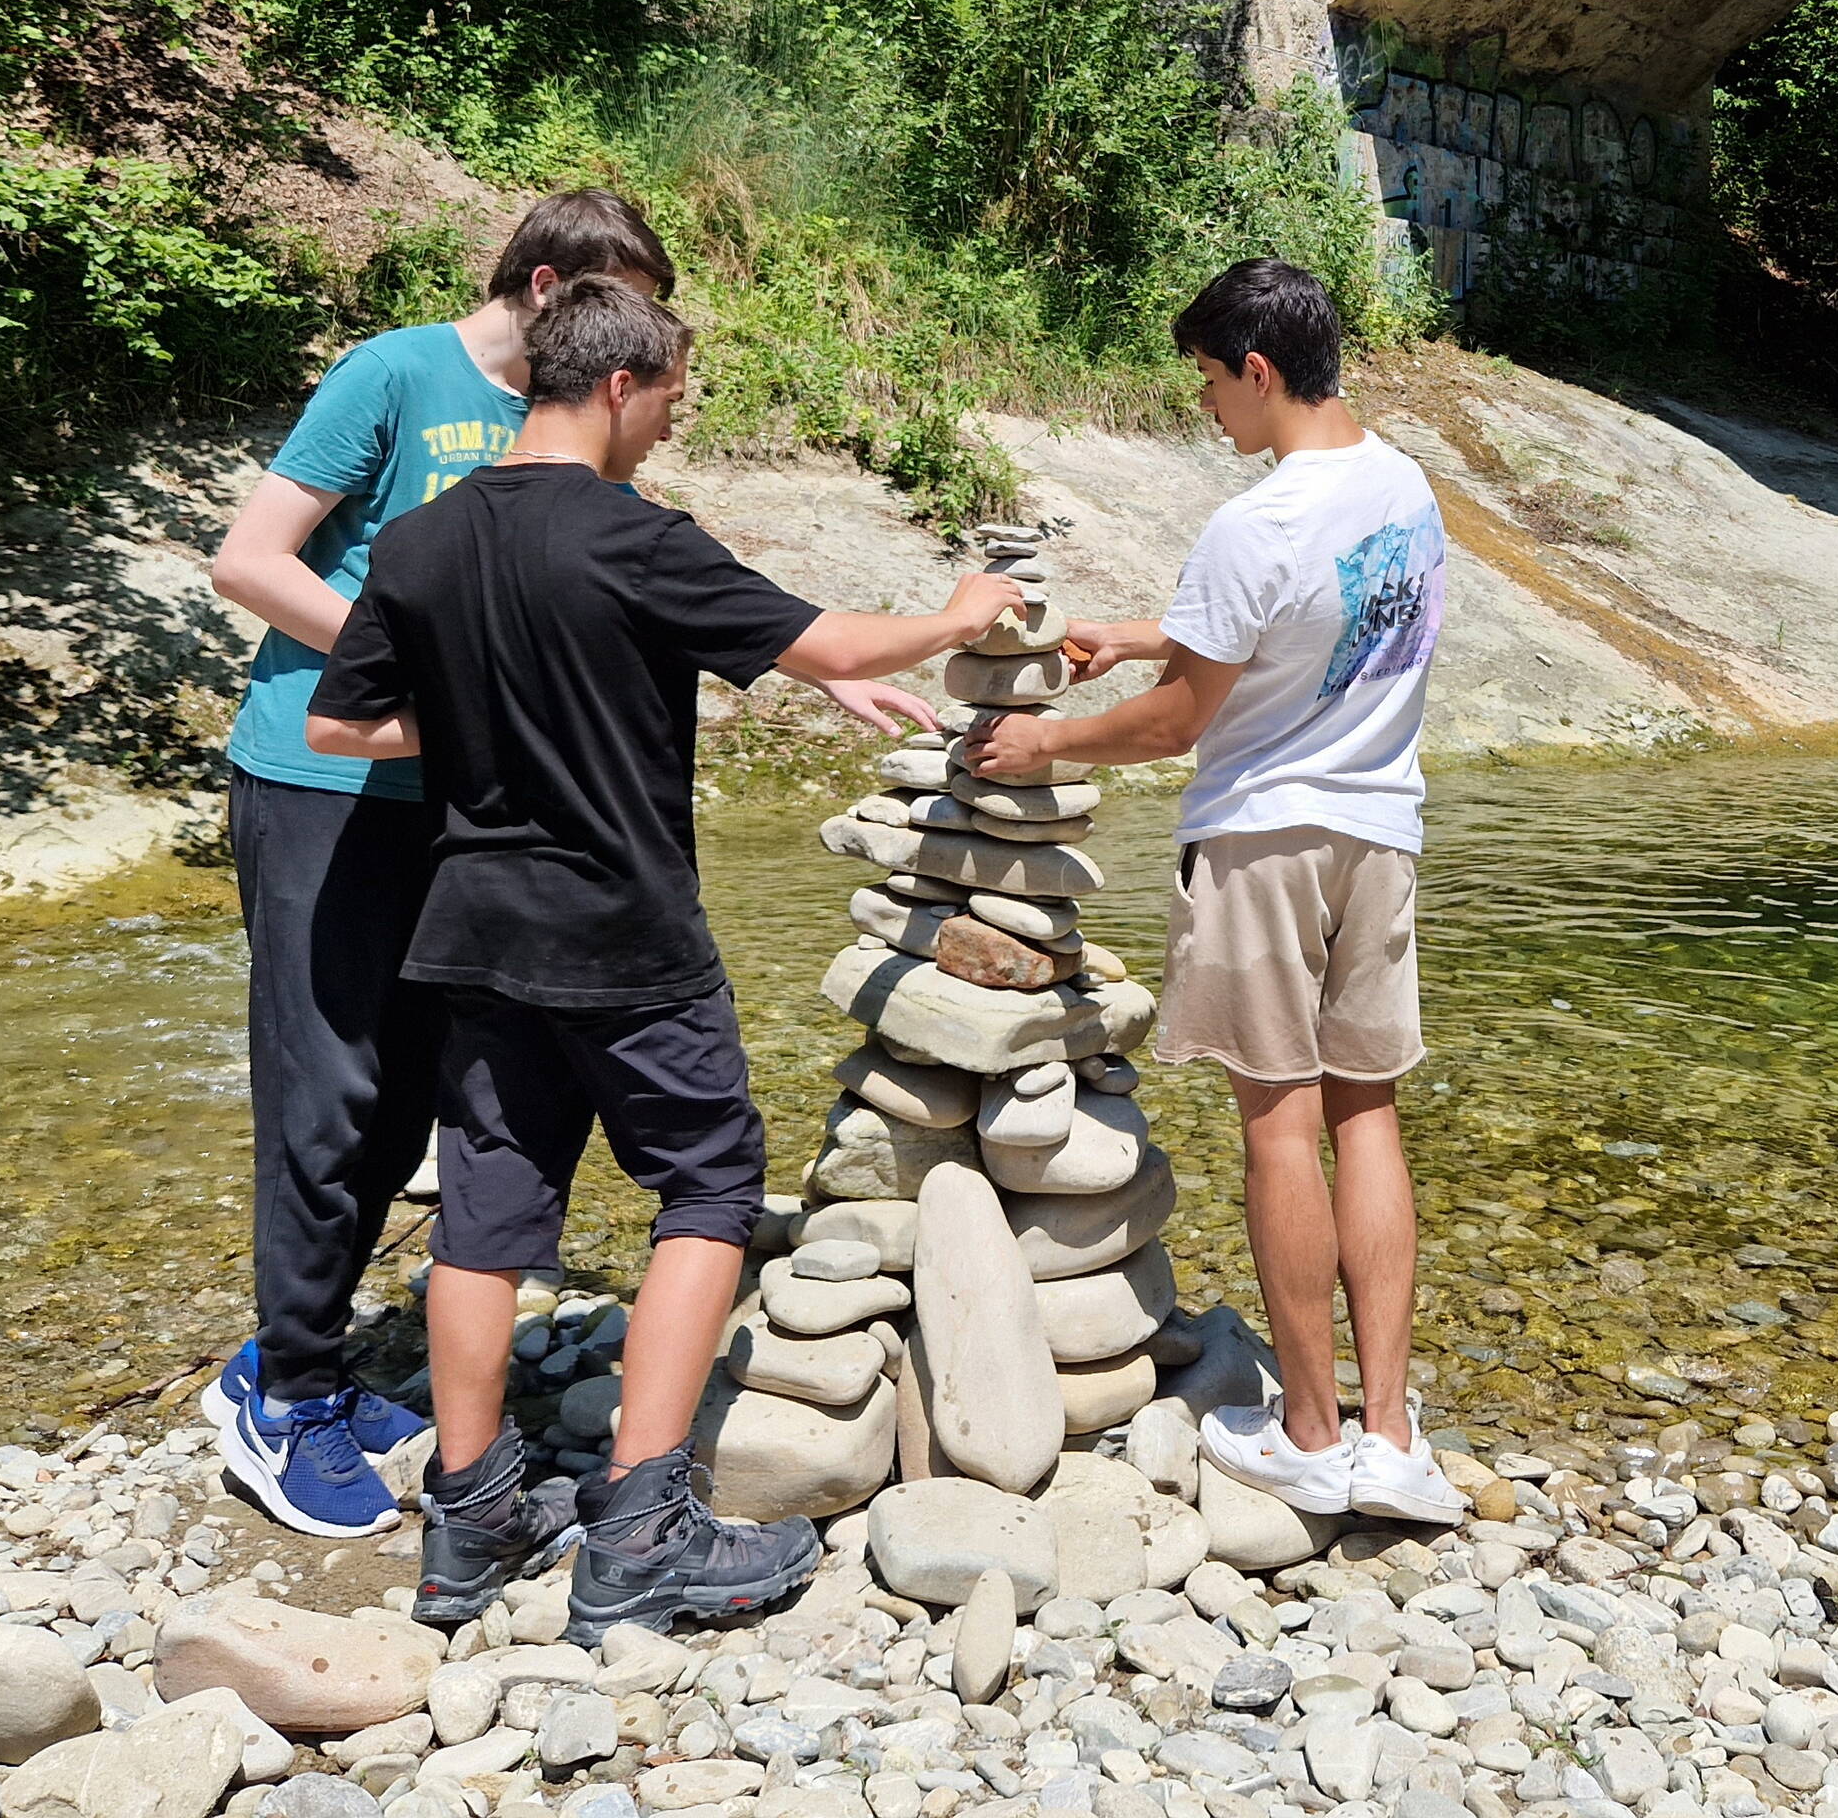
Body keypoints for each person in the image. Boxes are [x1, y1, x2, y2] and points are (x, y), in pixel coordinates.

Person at [205, 191, 933, 1541]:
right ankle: (283, 1389)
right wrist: (451, 669)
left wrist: (799, 663)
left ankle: (339, 1366)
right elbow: (248, 560)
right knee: (329, 1089)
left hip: (475, 806)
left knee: (422, 1094)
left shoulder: (570, 437)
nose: (647, 340)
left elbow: (619, 587)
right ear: (554, 293)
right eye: (631, 307)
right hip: (324, 783)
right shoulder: (396, 375)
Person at [305, 277, 1023, 1637]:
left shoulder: (417, 545)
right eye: (675, 399)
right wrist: (959, 611)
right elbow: (835, 640)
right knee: (706, 1184)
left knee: (487, 1214)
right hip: (627, 930)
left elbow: (344, 730)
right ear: (620, 387)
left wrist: (470, 741)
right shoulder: (637, 539)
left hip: (472, 932)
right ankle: (640, 1527)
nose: (672, 425)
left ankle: (470, 1523)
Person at [969, 256, 1462, 1526]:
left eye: (1205, 380)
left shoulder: (1256, 520)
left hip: (1261, 845)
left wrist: (1045, 743)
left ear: (1256, 370)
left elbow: (1179, 725)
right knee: (1369, 1116)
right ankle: (1391, 1432)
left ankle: (1306, 1431)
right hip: (1380, 835)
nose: (1203, 407)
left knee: (1277, 1122)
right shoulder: (1404, 488)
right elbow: (1319, 637)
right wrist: (1143, 631)